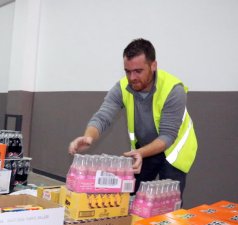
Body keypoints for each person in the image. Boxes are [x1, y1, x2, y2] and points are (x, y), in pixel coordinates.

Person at [69, 38, 197, 197]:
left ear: (153, 66)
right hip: (145, 149)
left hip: (174, 152)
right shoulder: (122, 87)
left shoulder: (173, 89)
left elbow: (167, 136)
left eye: (138, 71)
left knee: (168, 205)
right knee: (132, 196)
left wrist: (141, 153)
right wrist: (88, 137)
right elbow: (103, 116)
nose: (132, 77)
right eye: (127, 71)